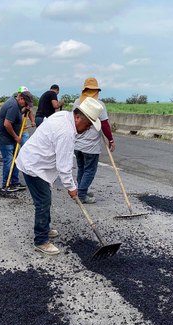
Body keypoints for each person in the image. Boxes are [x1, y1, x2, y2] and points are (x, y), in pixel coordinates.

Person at [16, 97, 103, 255]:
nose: (88, 128)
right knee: (43, 202)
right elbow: (64, 167)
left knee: (46, 197)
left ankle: (45, 228)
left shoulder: (64, 116)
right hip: (34, 166)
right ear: (78, 117)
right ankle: (41, 240)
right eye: (88, 124)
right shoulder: (66, 133)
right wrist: (72, 188)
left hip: (36, 162)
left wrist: (71, 186)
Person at [73, 77, 116, 203]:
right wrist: (111, 140)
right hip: (90, 145)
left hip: (77, 143)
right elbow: (105, 125)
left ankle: (82, 190)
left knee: (82, 168)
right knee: (89, 170)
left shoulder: (77, 102)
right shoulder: (99, 105)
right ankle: (81, 195)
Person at [0, 89, 34, 192]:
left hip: (9, 137)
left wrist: (25, 110)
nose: (26, 105)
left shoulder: (15, 104)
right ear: (21, 99)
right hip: (4, 137)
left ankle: (15, 182)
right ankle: (6, 185)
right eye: (26, 103)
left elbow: (17, 116)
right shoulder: (13, 106)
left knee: (16, 159)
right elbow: (7, 123)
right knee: (9, 161)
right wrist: (16, 137)